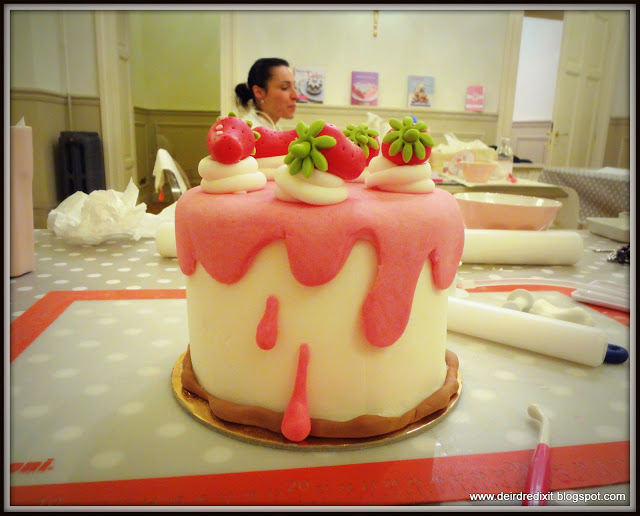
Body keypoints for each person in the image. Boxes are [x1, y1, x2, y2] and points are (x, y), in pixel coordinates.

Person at [234, 58, 297, 130]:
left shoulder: (273, 127)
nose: (295, 96)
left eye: (295, 87)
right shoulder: (250, 131)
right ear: (259, 92)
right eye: (284, 87)